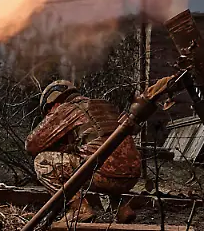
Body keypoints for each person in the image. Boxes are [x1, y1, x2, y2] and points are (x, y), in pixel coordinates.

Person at [25, 80, 141, 223]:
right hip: (132, 176)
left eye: (48, 111)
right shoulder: (105, 105)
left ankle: (78, 209)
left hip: (103, 174)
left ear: (54, 102)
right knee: (99, 157)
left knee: (42, 161)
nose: (50, 114)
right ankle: (122, 210)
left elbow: (31, 145)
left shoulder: (67, 109)